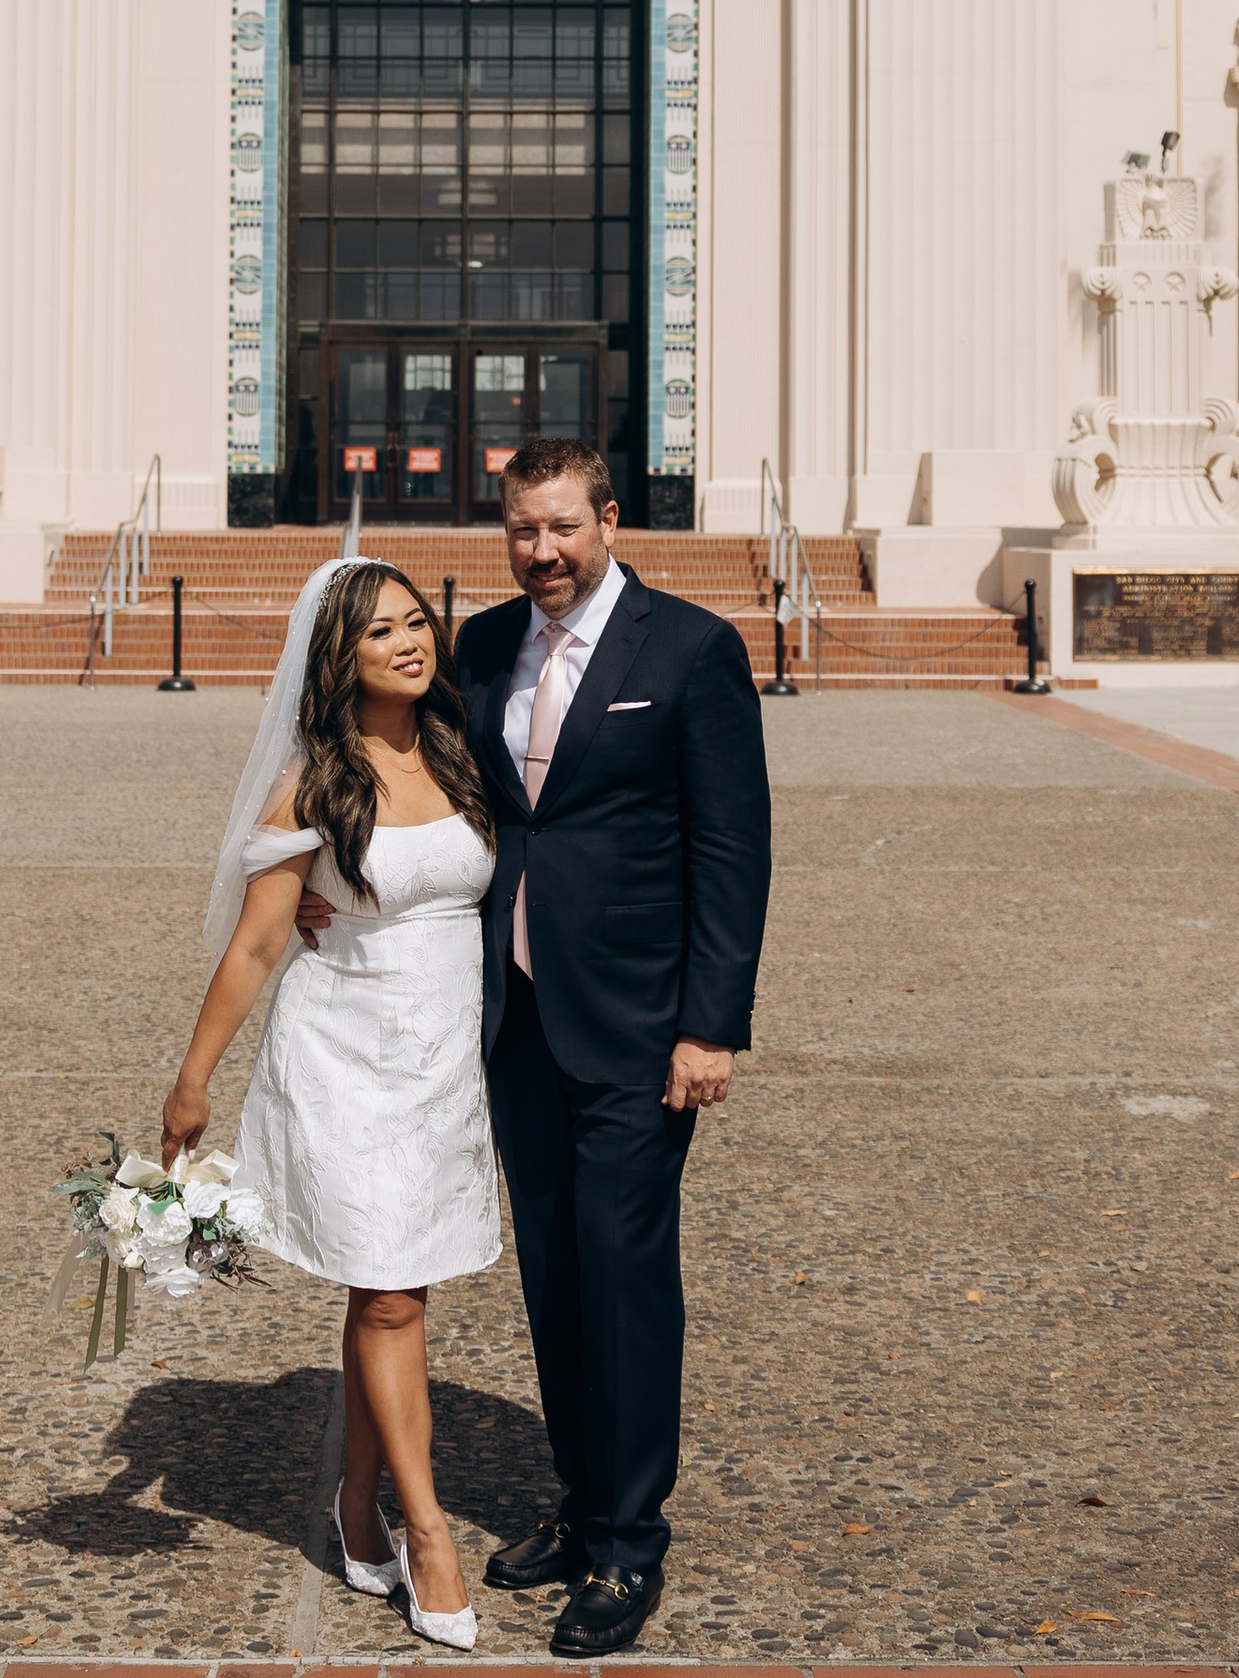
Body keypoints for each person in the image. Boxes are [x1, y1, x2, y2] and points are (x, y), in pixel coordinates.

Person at [446, 439, 771, 1657]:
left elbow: (733, 850)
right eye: (523, 531)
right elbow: (448, 800)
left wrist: (710, 1025)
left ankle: (632, 1543)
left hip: (642, 1026)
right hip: (516, 1017)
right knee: (552, 1270)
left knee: (623, 1274)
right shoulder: (481, 645)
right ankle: (581, 1509)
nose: (542, 552)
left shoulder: (689, 648)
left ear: (609, 522)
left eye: (563, 529)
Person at [164, 557, 499, 1650]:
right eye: (378, 633)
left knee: (394, 1289)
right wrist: (192, 1082)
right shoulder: (317, 782)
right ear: (338, 657)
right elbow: (261, 939)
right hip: (345, 1059)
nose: (407, 642)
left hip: (442, 1063)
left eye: (415, 622)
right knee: (393, 1294)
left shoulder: (455, 749)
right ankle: (426, 1529)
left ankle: (354, 1506)